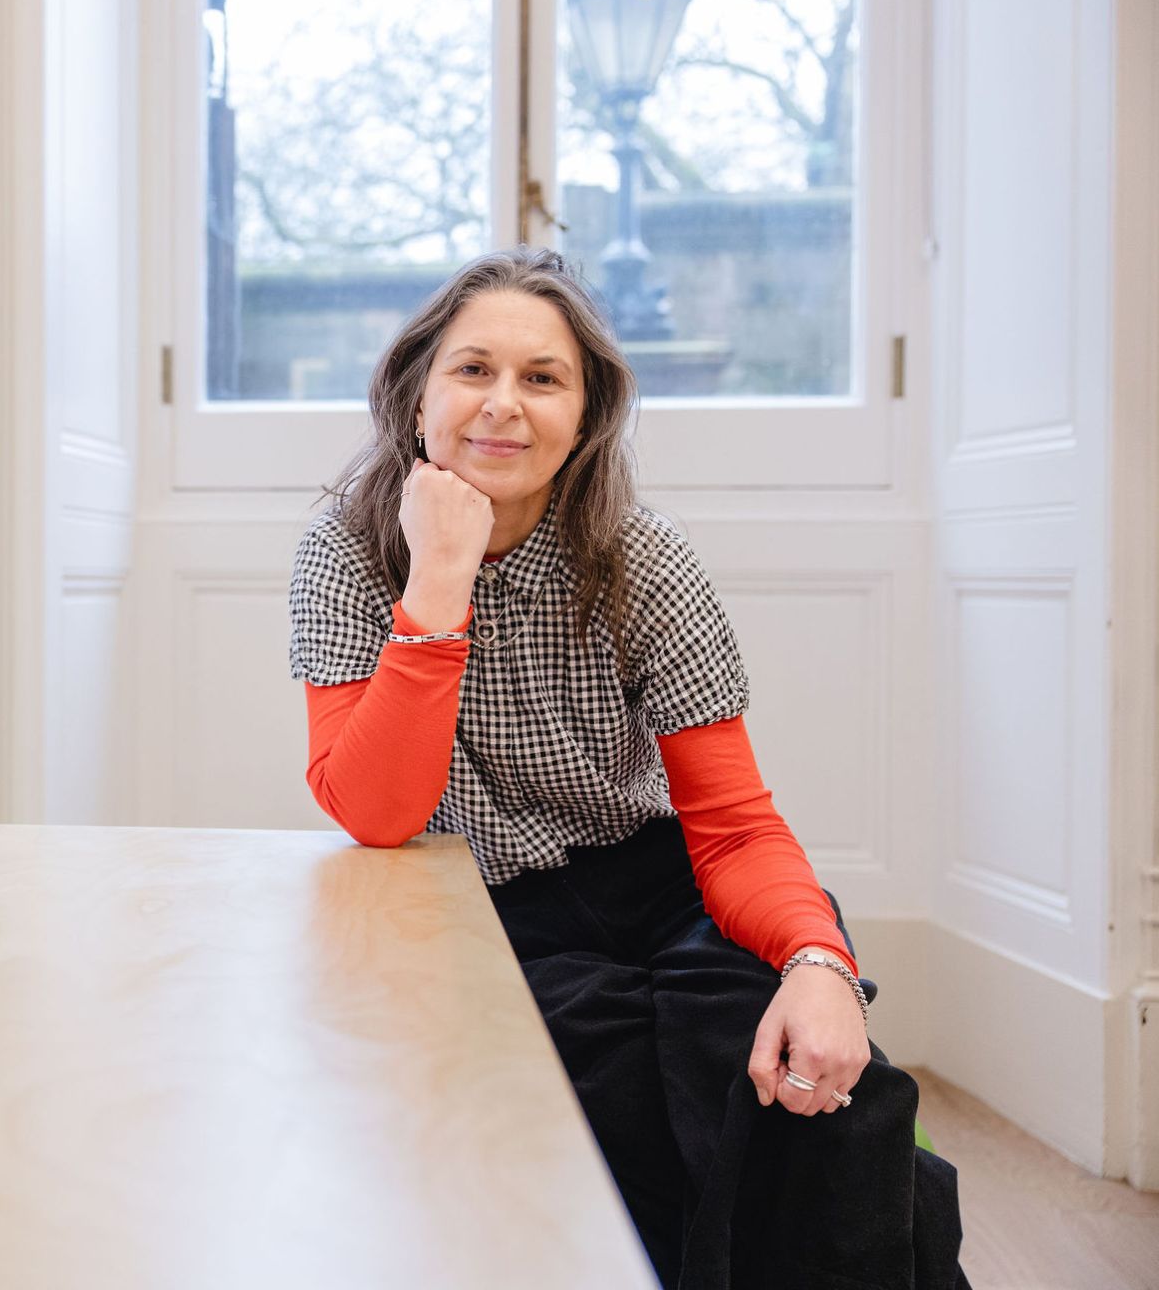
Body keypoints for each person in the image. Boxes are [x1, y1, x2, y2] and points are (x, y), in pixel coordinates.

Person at [287, 246, 965, 1289]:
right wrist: (437, 584)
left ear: (587, 412)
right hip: (477, 898)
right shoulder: (343, 552)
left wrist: (817, 965)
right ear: (416, 392)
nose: (503, 405)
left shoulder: (642, 556)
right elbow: (375, 811)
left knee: (796, 1074)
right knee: (599, 1081)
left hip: (665, 878)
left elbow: (733, 823)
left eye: (542, 378)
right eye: (473, 369)